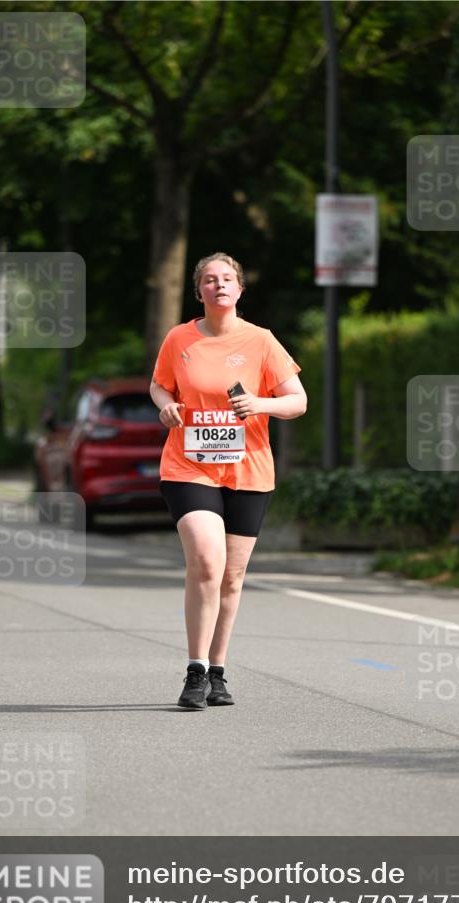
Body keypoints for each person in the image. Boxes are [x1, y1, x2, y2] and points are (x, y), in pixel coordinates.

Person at [150, 252, 307, 711]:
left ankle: (218, 671)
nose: (219, 286)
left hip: (248, 469)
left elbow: (297, 401)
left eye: (227, 279)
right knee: (205, 560)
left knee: (232, 578)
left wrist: (261, 404)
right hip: (188, 465)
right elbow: (160, 384)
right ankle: (195, 671)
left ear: (239, 290)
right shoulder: (180, 338)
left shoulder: (261, 341)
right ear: (198, 291)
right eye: (210, 280)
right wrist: (165, 404)